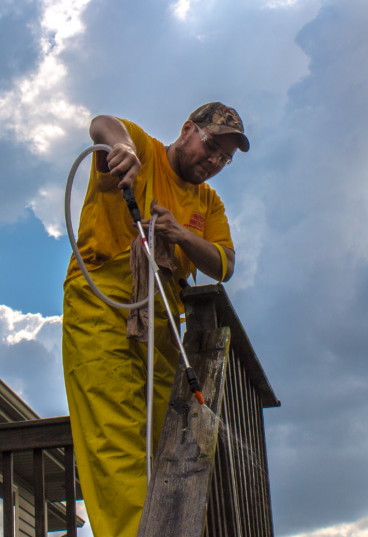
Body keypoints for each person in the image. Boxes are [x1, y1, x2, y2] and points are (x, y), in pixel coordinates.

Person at [62, 102, 249, 537]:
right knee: (113, 431)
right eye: (211, 146)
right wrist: (121, 148)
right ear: (188, 129)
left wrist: (181, 235)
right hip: (100, 300)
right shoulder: (141, 149)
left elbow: (225, 262)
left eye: (225, 158)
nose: (215, 161)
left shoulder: (208, 201)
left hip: (164, 318)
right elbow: (102, 125)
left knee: (170, 430)